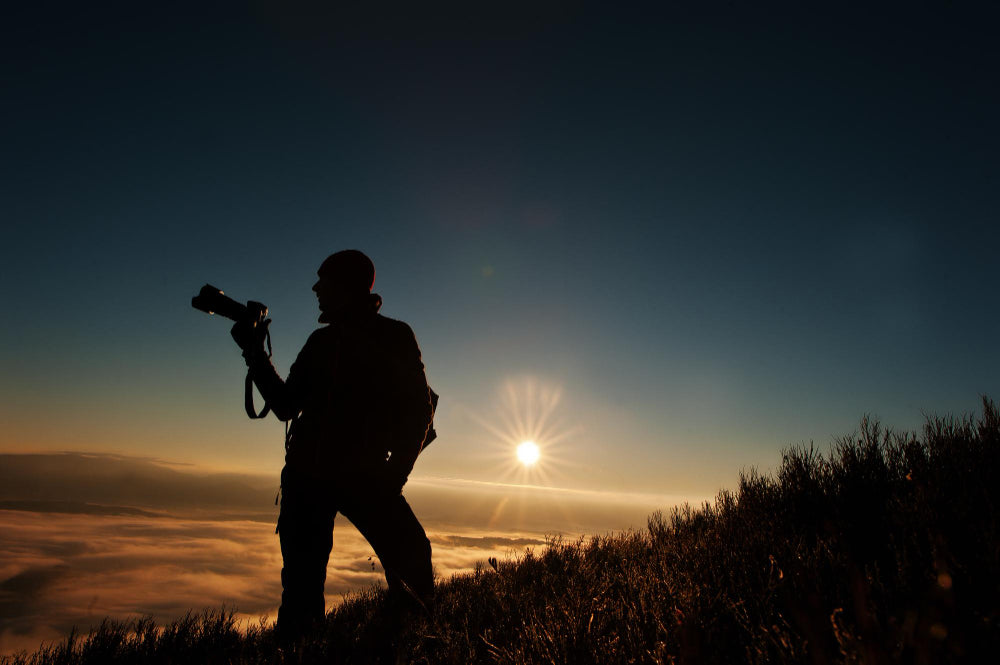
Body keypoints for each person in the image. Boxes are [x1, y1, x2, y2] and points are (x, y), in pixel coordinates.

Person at [230, 250, 435, 640]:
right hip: (319, 477)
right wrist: (254, 353)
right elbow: (288, 405)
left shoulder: (391, 335)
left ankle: (404, 644)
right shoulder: (327, 341)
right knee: (306, 593)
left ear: (348, 286)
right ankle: (392, 644)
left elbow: (418, 410)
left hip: (351, 476)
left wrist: (395, 475)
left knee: (410, 562)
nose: (315, 288)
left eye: (324, 281)